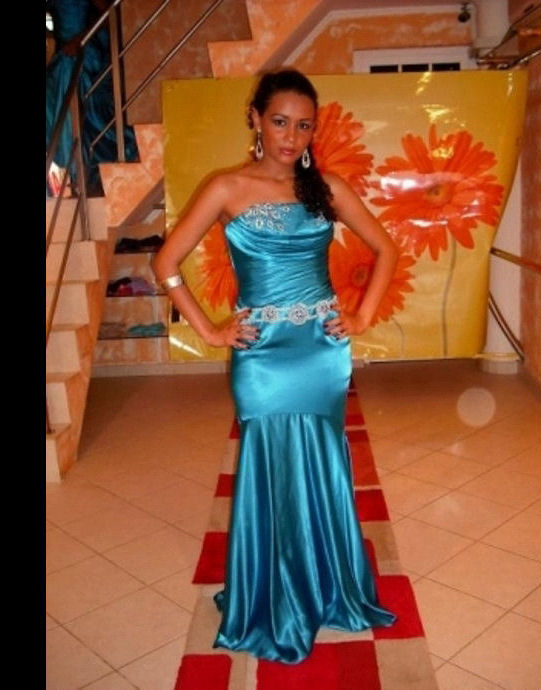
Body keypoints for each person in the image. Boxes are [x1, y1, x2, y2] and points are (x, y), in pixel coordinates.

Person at [153, 68, 399, 664]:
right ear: (256, 119)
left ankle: (329, 585)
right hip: (262, 356)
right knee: (268, 466)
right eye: (281, 122)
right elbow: (166, 263)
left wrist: (362, 316)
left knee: (323, 462)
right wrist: (211, 330)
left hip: (321, 349)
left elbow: (386, 247)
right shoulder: (226, 187)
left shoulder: (327, 187)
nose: (291, 136)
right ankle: (271, 591)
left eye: (304, 125)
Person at [46, 0, 139, 196]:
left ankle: (89, 175)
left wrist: (81, 39)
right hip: (66, 51)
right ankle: (81, 176)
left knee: (86, 113)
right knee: (62, 109)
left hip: (85, 49)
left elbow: (109, 13)